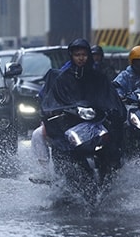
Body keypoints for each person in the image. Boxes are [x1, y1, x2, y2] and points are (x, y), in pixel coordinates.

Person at [30, 38, 125, 182]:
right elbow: (53, 99)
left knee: (114, 136)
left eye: (84, 54)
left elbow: (107, 95)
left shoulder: (98, 76)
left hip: (94, 121)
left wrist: (112, 109)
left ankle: (114, 168)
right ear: (71, 56)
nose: (81, 58)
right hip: (70, 121)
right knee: (41, 135)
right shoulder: (62, 78)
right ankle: (47, 173)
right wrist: (55, 110)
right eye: (77, 55)